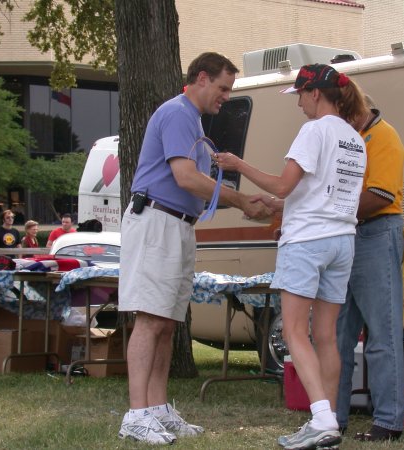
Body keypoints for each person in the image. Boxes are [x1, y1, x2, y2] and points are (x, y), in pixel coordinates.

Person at [116, 52, 272, 446]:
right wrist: (241, 200)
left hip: (178, 225)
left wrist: (247, 203)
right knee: (150, 319)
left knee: (167, 322)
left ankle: (156, 408)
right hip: (156, 222)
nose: (226, 96)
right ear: (202, 78)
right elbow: (186, 178)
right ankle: (136, 415)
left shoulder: (193, 121)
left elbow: (199, 188)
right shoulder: (177, 113)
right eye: (223, 88)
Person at [216, 63, 367, 450]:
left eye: (300, 95)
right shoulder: (355, 138)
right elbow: (319, 194)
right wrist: (280, 205)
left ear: (315, 93)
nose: (299, 104)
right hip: (342, 241)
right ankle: (330, 418)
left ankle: (322, 419)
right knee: (327, 337)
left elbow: (284, 184)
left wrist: (238, 164)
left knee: (294, 332)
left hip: (307, 242)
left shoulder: (314, 130)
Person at [335, 95, 404, 441]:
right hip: (347, 235)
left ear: (354, 113)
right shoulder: (352, 138)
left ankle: (388, 421)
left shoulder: (384, 136)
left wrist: (330, 212)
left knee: (382, 333)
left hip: (376, 233)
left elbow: (381, 195)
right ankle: (333, 418)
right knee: (337, 335)